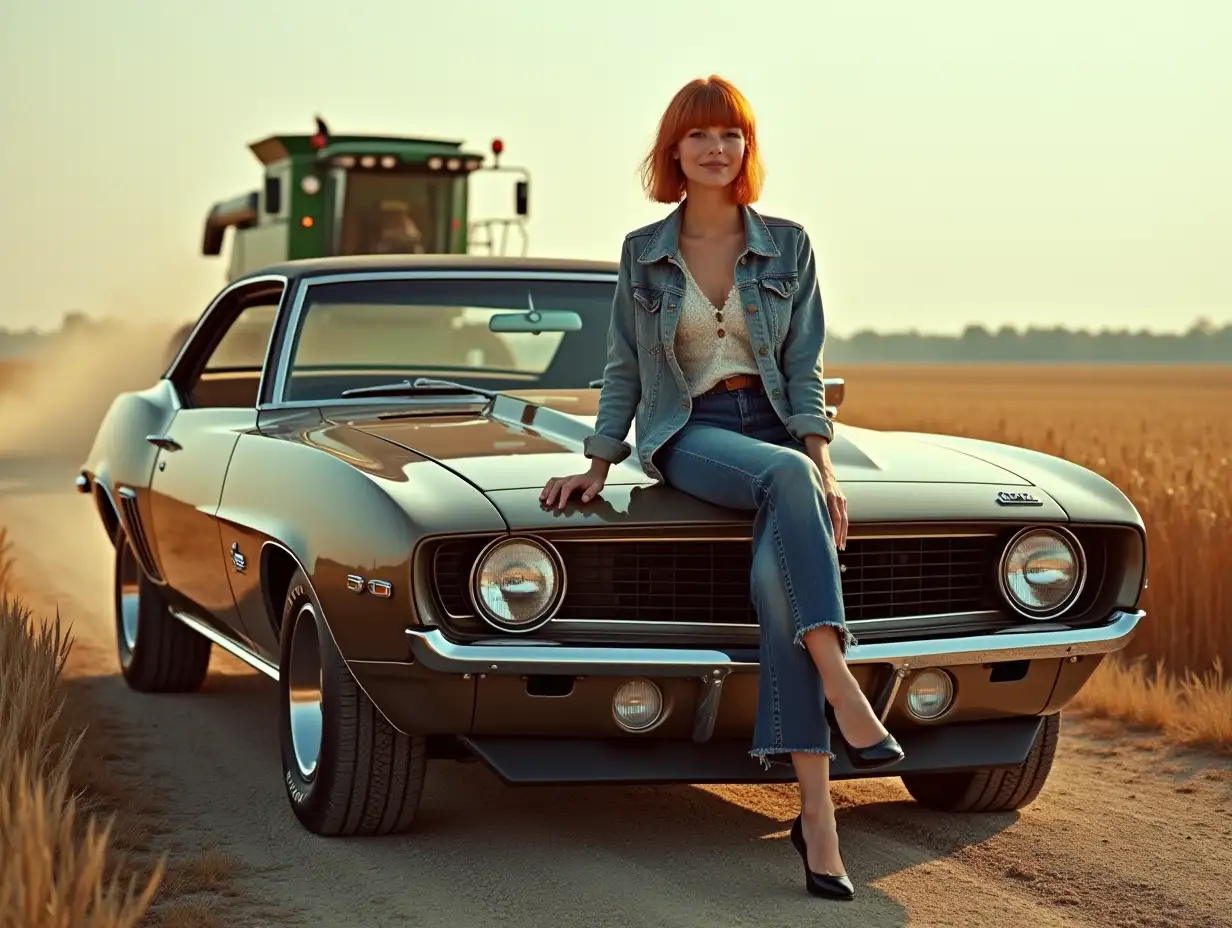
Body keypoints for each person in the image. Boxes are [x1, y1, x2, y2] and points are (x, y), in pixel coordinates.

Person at [539, 75, 904, 901]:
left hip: (774, 428)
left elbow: (804, 367)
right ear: (674, 150)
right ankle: (846, 688)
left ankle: (819, 824)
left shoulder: (789, 244)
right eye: (700, 135)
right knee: (784, 478)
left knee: (781, 597)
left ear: (747, 149)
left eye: (732, 135)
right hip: (691, 434)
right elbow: (625, 367)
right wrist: (598, 462)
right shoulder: (644, 252)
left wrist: (824, 462)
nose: (717, 148)